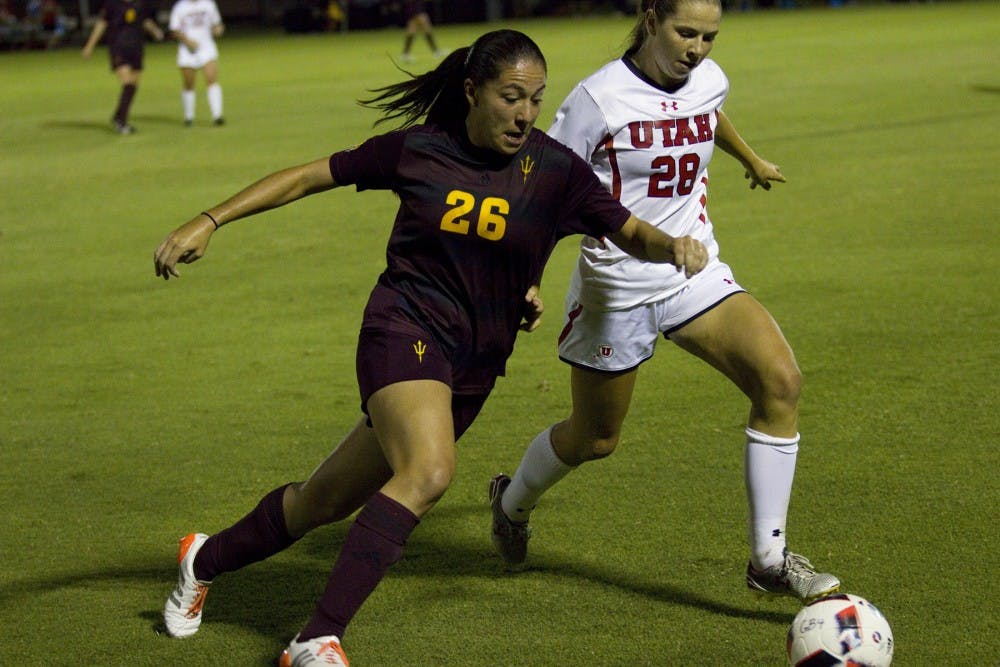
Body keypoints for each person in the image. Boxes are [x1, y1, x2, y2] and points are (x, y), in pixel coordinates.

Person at [155, 29, 708, 665]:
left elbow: (628, 228)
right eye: (511, 97)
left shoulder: (555, 170)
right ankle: (315, 640)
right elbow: (308, 177)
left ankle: (204, 559)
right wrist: (210, 219)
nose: (525, 113)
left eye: (535, 99)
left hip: (473, 366)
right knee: (430, 472)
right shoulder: (418, 151)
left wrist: (671, 247)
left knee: (322, 502)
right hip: (404, 331)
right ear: (473, 92)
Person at [488, 0, 842, 603]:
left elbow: (708, 112)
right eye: (685, 33)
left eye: (709, 36)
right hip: (616, 288)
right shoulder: (598, 100)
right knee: (595, 439)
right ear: (650, 18)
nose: (697, 49)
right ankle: (512, 501)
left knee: (780, 382)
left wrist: (749, 157)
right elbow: (543, 188)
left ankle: (768, 559)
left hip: (693, 271)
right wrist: (528, 276)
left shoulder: (708, 78)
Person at [81, 0, 163, 134]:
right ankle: (122, 122)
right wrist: (90, 45)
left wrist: (155, 31)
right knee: (128, 83)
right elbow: (101, 24)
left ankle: (118, 116)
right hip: (118, 49)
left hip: (136, 49)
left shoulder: (139, 4)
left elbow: (143, 20)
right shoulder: (112, 4)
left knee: (133, 85)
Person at [168, 0, 225, 126]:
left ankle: (217, 116)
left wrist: (218, 30)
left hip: (206, 47)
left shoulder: (208, 4)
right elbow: (174, 29)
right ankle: (189, 117)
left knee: (211, 79)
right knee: (189, 83)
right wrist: (188, 41)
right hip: (187, 50)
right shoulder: (180, 7)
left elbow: (216, 24)